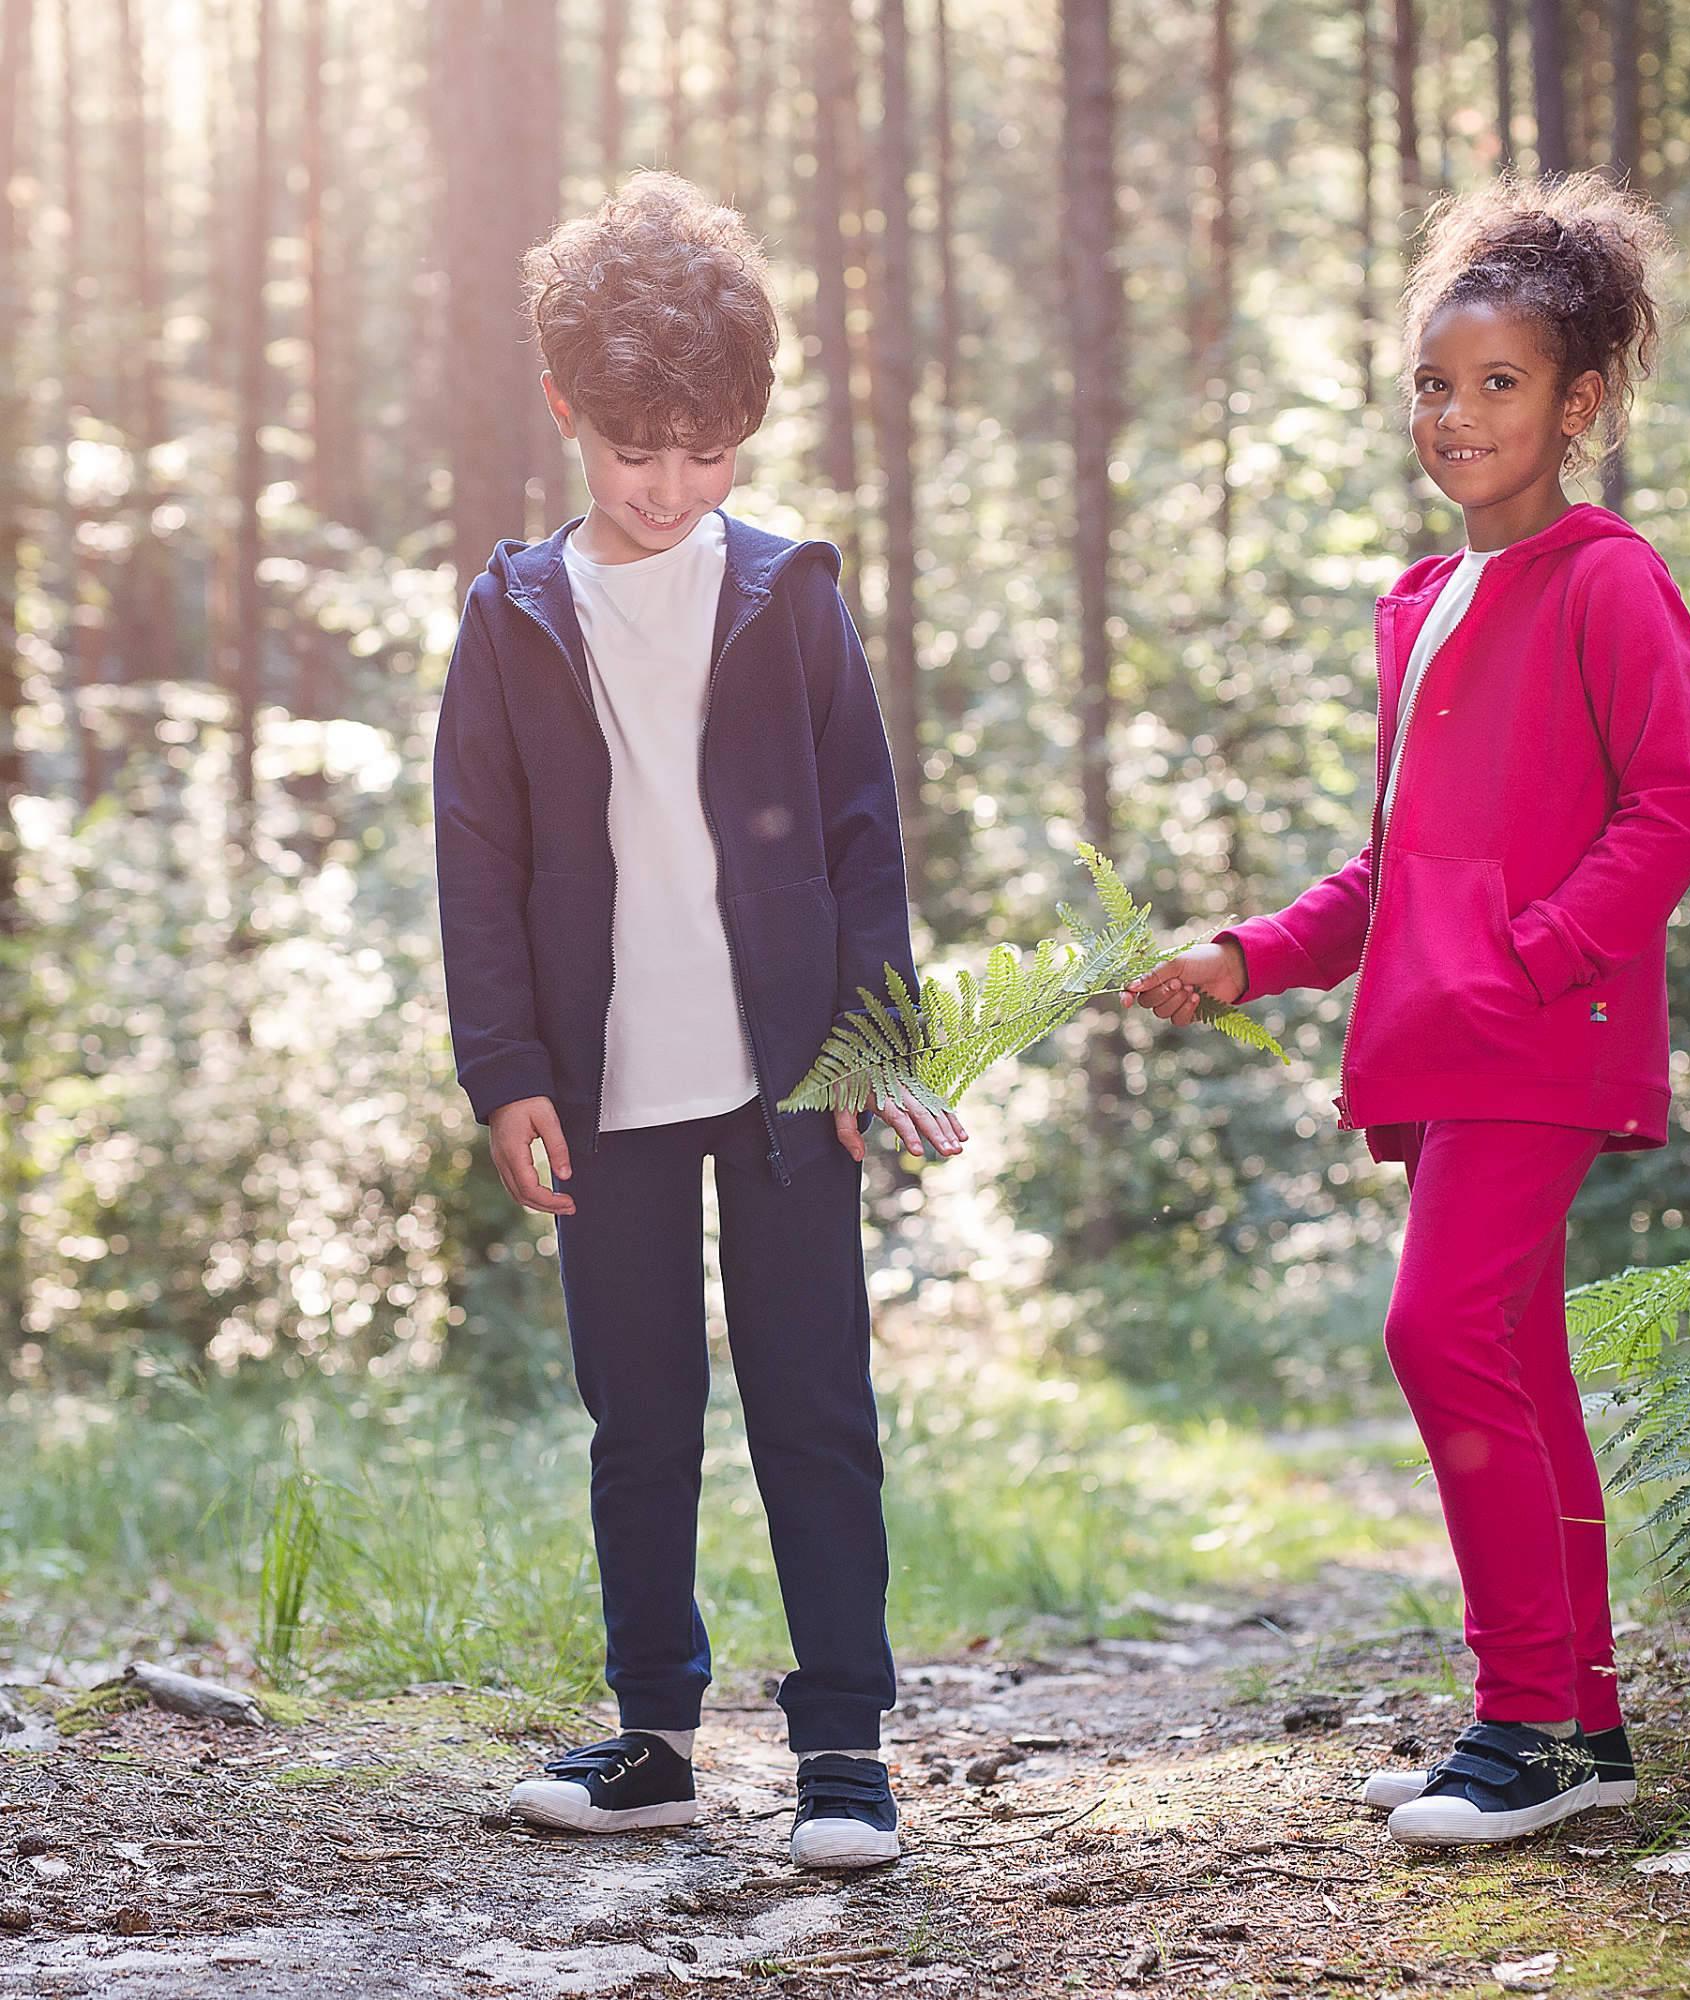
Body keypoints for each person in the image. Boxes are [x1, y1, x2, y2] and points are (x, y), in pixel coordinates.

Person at [1125, 174, 1690, 1847]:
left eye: (1501, 384)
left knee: (1438, 1331)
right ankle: (1585, 1723)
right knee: (1516, 1357)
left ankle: (1519, 1717)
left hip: (1541, 1037)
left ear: (1581, 404)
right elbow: (1394, 870)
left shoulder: (1606, 581)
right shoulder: (1424, 602)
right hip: (1452, 1043)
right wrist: (1247, 954)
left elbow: (1675, 808)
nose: (1457, 415)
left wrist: (1534, 956)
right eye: (1434, 386)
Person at [432, 171, 965, 1870]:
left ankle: (843, 1753)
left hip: (790, 1080)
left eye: (711, 448)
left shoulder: (789, 592)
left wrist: (880, 1050)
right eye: (637, 447)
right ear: (566, 409)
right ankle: (654, 1733)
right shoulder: (513, 613)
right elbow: (478, 855)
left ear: (748, 429)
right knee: (640, 1415)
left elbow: (866, 830)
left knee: (816, 1403)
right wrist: (506, 1069)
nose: (672, 487)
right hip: (602, 1088)